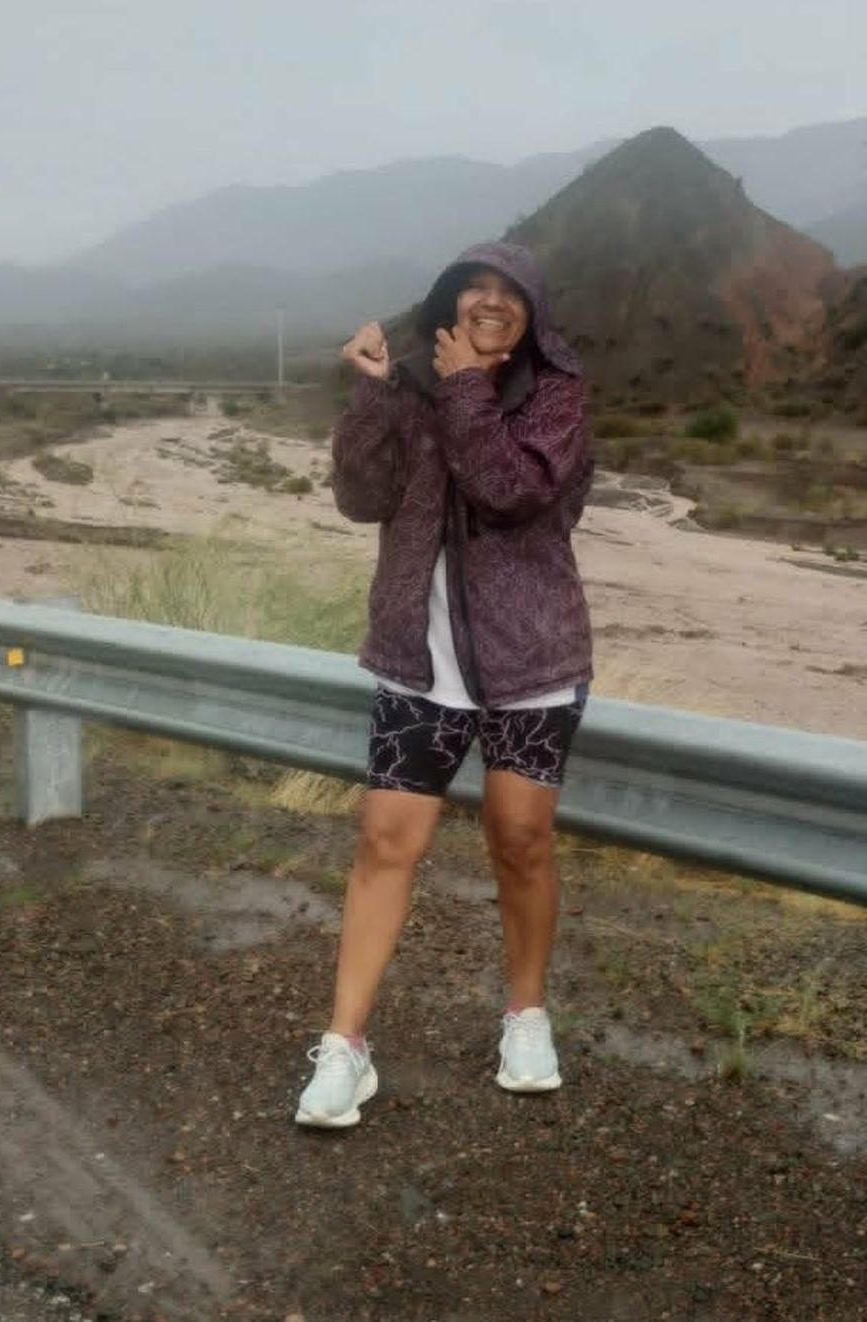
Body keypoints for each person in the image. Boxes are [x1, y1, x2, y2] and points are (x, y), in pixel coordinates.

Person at [295, 242, 593, 1128]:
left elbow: (510, 491)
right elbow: (360, 496)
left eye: (510, 292)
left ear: (533, 311)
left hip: (531, 659)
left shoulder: (558, 396)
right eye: (475, 287)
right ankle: (346, 1047)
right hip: (419, 660)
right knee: (387, 840)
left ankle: (527, 1018)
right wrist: (377, 393)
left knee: (521, 841)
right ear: (446, 302)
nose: (491, 301)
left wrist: (465, 388)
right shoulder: (415, 384)